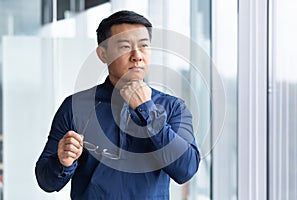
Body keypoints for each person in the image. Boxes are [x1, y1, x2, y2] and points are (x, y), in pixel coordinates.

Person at [35, 10, 200, 200]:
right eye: (124, 47)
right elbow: (46, 182)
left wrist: (147, 110)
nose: (137, 56)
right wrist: (63, 162)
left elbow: (186, 170)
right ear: (103, 54)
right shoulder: (75, 106)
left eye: (144, 46)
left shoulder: (173, 108)